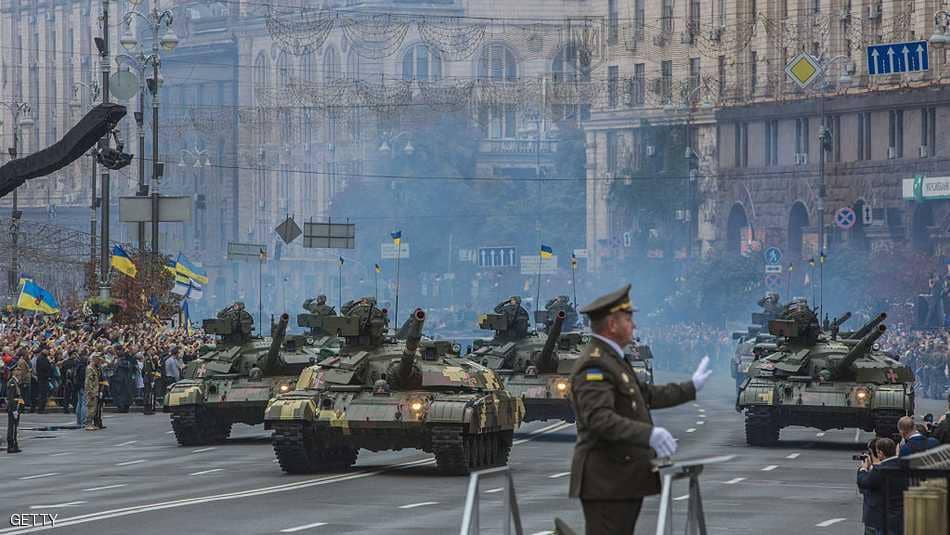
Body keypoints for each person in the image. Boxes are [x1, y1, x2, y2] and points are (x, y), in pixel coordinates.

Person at [567, 284, 712, 535]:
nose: (633, 325)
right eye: (628, 318)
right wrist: (649, 435)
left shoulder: (613, 359)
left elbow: (645, 394)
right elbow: (599, 419)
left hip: (620, 478)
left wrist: (691, 387)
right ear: (612, 324)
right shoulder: (595, 364)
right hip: (606, 480)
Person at [857, 437, 906, 535]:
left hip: (883, 518)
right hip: (901, 516)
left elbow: (864, 483)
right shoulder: (903, 465)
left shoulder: (879, 470)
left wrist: (862, 469)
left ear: (880, 453)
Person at [5, 359, 27, 453]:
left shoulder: (16, 382)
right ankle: (11, 445)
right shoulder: (12, 382)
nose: (20, 371)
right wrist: (14, 409)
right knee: (12, 427)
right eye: (17, 369)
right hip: (14, 408)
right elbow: (11, 398)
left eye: (19, 369)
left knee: (15, 427)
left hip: (17, 407)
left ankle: (14, 444)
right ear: (14, 371)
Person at [84, 353, 103, 431]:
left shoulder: (95, 368)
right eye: (98, 359)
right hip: (91, 391)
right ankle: (88, 424)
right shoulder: (90, 368)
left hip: (95, 390)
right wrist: (90, 391)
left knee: (94, 408)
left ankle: (91, 423)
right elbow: (88, 381)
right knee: (91, 408)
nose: (99, 361)